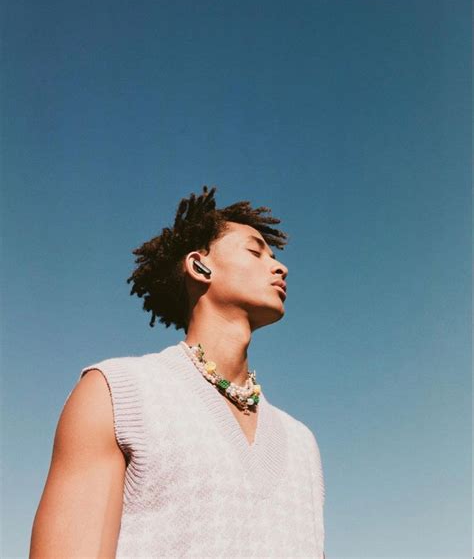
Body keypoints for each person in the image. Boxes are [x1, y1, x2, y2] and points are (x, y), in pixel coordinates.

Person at [30, 185, 326, 558]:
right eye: (255, 251)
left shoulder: (302, 443)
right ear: (200, 265)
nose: (280, 266)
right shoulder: (118, 393)